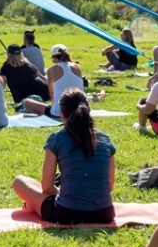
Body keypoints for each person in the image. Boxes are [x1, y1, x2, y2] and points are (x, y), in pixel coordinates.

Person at [11, 88, 115, 224]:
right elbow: (110, 185)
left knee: (19, 181)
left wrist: (59, 192)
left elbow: (47, 187)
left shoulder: (57, 139)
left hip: (66, 213)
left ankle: (33, 204)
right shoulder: (105, 139)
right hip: (104, 212)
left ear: (62, 113)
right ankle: (37, 202)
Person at [21, 44, 84, 117]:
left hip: (60, 112)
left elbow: (52, 94)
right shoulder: (77, 67)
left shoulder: (52, 70)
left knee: (27, 103)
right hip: (80, 108)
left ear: (54, 58)